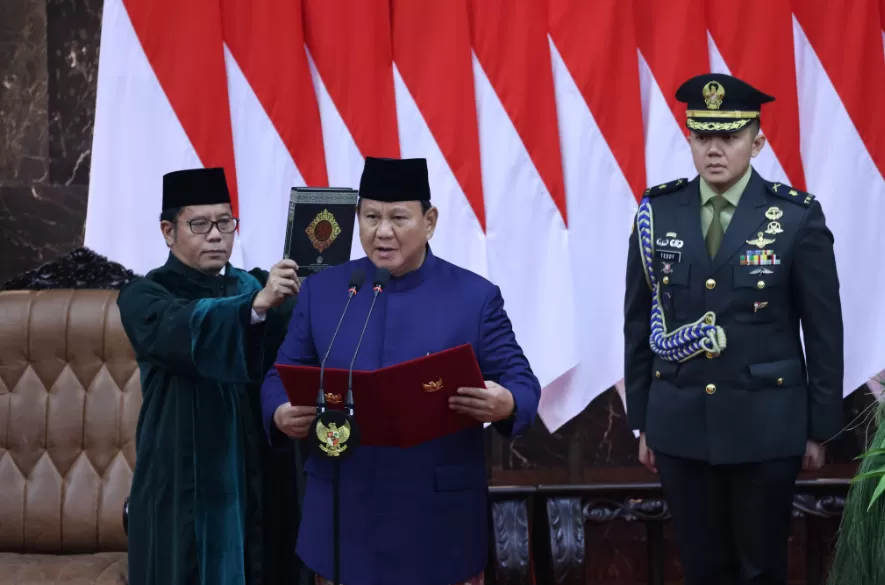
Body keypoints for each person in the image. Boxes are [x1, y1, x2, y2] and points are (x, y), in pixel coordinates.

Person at [260, 156, 542, 585]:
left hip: (437, 521)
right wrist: (280, 411)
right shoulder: (324, 291)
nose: (382, 231)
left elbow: (521, 383)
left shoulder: (474, 297)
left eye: (398, 218)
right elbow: (279, 376)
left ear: (429, 221)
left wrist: (506, 403)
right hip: (343, 516)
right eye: (370, 217)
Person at [623, 73, 844, 585]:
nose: (715, 149)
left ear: (757, 141)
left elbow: (824, 328)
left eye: (729, 136)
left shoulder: (795, 218)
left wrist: (818, 427)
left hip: (766, 424)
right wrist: (643, 419)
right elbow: (639, 319)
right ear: (690, 138)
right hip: (679, 424)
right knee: (702, 568)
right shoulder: (657, 213)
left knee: (762, 569)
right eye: (704, 136)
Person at [117, 167, 301, 585]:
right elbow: (182, 328)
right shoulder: (144, 296)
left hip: (257, 471)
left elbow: (300, 341)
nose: (216, 235)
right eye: (199, 224)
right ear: (168, 231)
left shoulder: (252, 284)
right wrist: (255, 306)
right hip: (183, 478)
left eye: (225, 222)